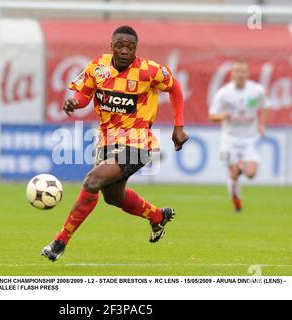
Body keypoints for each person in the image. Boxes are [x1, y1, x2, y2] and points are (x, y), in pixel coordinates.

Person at [42, 25, 189, 261]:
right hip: (107, 140)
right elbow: (84, 95)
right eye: (119, 46)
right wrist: (74, 102)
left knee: (92, 180)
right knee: (112, 198)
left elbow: (176, 88)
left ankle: (60, 242)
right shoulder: (98, 66)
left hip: (138, 143)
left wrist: (178, 126)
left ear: (135, 49)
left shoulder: (148, 71)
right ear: (111, 46)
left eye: (130, 47)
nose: (124, 51)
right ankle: (158, 217)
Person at [209, 59, 268, 212]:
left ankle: (241, 166)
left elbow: (265, 107)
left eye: (243, 71)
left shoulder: (256, 91)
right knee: (234, 175)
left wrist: (262, 124)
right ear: (232, 74)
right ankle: (236, 199)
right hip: (230, 139)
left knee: (251, 174)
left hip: (250, 138)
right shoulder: (224, 93)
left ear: (247, 73)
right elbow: (212, 116)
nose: (240, 74)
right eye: (237, 71)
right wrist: (224, 115)